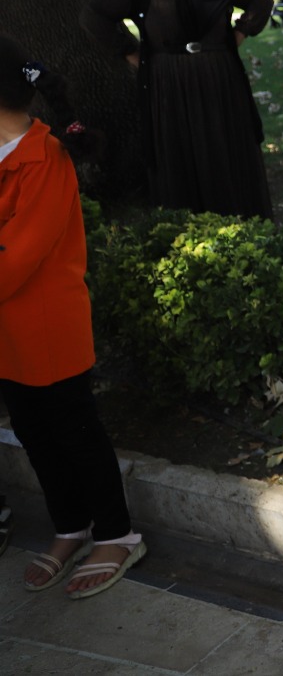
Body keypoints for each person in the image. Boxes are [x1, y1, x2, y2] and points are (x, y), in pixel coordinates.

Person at [0, 37, 146, 599]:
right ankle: (71, 526)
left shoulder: (46, 158)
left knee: (77, 432)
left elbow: (16, 259)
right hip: (9, 334)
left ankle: (116, 533)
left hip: (46, 327)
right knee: (35, 434)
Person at [80, 0, 274, 220]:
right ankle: (190, 226)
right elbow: (94, 16)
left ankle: (236, 221)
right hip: (166, 80)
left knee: (222, 146)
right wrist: (129, 50)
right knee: (178, 151)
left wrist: (240, 32)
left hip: (217, 78)